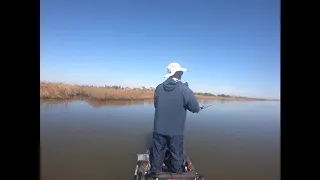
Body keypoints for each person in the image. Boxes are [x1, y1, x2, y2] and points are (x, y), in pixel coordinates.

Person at [149, 62, 200, 176]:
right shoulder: (184, 89)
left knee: (157, 154)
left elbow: (156, 105)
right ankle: (177, 175)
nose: (182, 73)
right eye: (181, 71)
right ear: (179, 73)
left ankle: (155, 174)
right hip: (176, 131)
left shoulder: (158, 88)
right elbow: (195, 108)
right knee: (177, 156)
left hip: (159, 129)